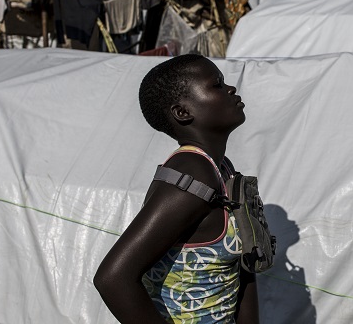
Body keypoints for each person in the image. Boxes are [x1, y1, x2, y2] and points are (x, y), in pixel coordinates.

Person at [94, 54, 259, 324]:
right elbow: (113, 278)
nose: (230, 89)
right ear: (183, 112)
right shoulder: (191, 175)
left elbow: (244, 267)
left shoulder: (220, 169)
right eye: (216, 84)